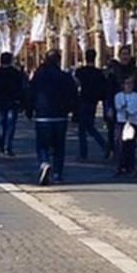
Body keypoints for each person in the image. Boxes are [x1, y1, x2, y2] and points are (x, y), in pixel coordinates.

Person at [27, 50, 78, 185]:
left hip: (43, 115)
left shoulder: (39, 76)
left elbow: (30, 93)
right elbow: (73, 95)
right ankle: (58, 174)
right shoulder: (65, 77)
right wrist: (73, 112)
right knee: (59, 147)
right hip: (61, 116)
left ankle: (44, 162)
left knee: (42, 145)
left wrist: (29, 110)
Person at [74, 49, 109, 161]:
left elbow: (77, 86)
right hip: (93, 102)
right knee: (89, 126)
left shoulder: (80, 72)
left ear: (85, 58)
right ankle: (104, 145)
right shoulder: (99, 73)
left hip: (83, 101)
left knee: (82, 129)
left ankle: (83, 154)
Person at [0, 53, 24, 156]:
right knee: (11, 125)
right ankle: (8, 146)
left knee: (2, 124)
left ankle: (1, 145)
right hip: (13, 101)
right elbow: (20, 87)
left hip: (1, 100)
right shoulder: (15, 73)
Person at [114, 77, 137, 175]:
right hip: (121, 122)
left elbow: (136, 108)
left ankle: (131, 166)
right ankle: (120, 166)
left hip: (132, 122)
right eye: (127, 83)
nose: (129, 85)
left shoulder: (136, 96)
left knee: (131, 146)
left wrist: (127, 110)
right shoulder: (118, 96)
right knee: (120, 145)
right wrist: (125, 109)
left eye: (131, 83)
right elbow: (118, 107)